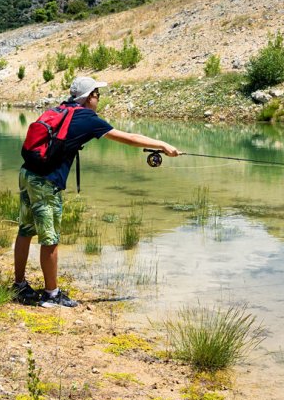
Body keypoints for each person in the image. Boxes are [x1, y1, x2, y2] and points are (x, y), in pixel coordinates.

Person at [13, 76, 179, 308]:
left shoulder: (59, 109)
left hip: (27, 173)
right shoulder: (87, 118)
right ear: (89, 97)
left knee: (26, 230)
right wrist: (162, 144)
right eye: (97, 94)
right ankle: (52, 294)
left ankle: (19, 285)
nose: (98, 98)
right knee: (50, 239)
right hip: (46, 182)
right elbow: (128, 138)